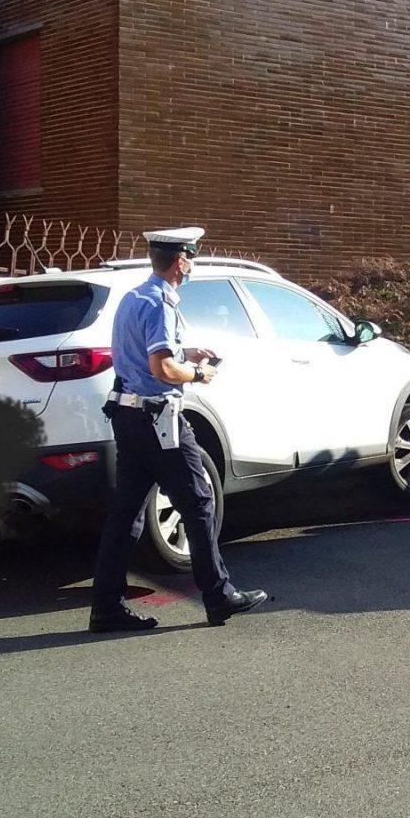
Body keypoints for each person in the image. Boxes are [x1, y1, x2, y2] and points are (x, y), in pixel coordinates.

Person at [89, 227, 270, 632]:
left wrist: (184, 351)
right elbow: (163, 369)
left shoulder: (133, 297)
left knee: (128, 514)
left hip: (128, 415)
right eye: (191, 257)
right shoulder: (162, 303)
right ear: (180, 260)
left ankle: (105, 608)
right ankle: (219, 595)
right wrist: (199, 372)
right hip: (158, 418)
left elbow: (142, 353)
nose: (191, 265)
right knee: (200, 501)